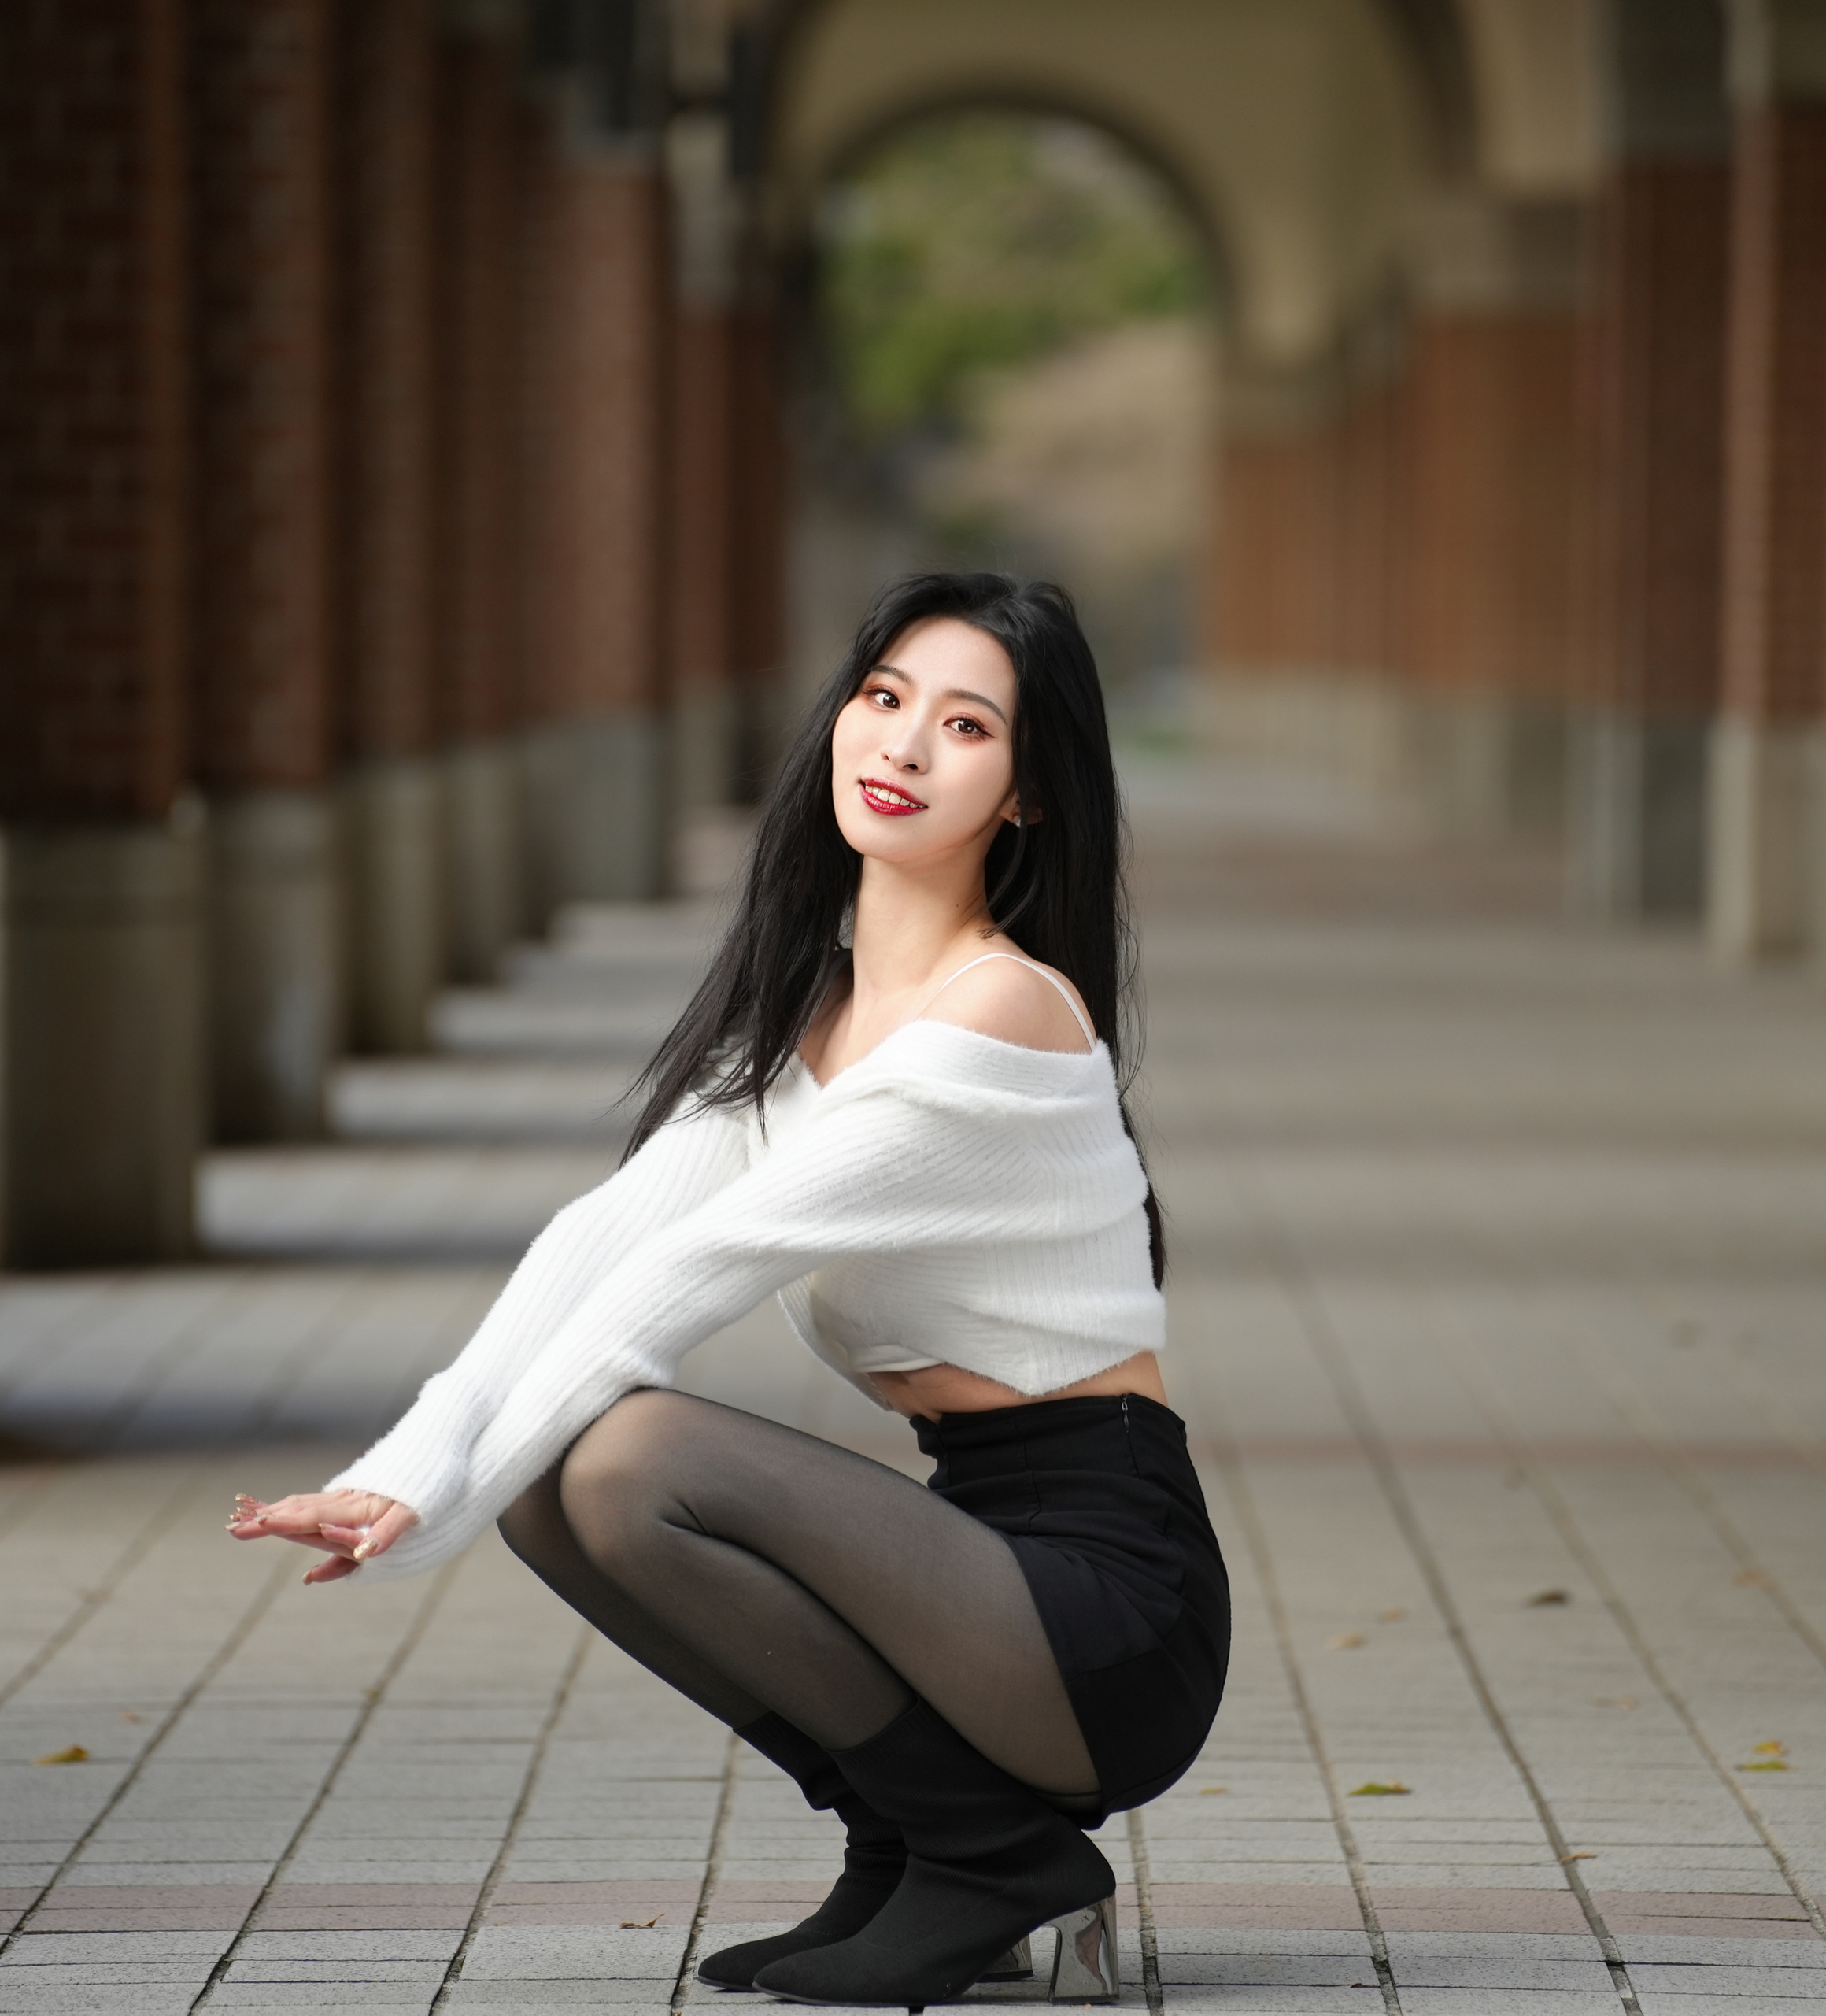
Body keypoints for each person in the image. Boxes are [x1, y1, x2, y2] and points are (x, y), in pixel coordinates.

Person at [228, 573, 1229, 2010]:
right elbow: (605, 1234)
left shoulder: (997, 1013)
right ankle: (919, 1848)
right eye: (883, 699)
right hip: (975, 1566)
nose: (900, 746)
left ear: (1025, 794)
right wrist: (415, 1465)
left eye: (964, 727)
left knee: (627, 1452)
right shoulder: (812, 1009)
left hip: (1107, 1611)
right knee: (547, 1481)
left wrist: (417, 1521)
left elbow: (697, 1270)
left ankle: (993, 1857)